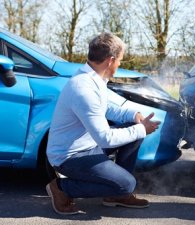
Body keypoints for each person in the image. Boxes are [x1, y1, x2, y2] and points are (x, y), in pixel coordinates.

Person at [46, 32, 160, 215]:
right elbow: (105, 138)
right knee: (127, 184)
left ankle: (115, 194)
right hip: (70, 156)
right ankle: (62, 188)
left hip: (88, 145)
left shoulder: (93, 78)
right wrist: (141, 129)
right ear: (110, 60)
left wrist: (134, 115)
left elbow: (106, 108)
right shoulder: (83, 88)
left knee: (134, 134)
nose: (120, 64)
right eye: (120, 60)